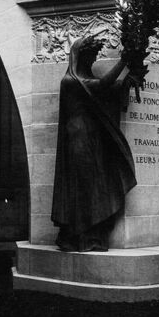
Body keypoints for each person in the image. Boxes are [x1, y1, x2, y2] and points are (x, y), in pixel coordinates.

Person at [51, 35, 137, 252]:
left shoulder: (82, 81)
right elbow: (100, 86)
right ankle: (78, 236)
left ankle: (93, 235)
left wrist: (125, 83)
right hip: (78, 138)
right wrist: (123, 61)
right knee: (84, 186)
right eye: (90, 56)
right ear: (80, 56)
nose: (92, 61)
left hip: (92, 138)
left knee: (95, 185)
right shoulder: (70, 81)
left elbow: (106, 91)